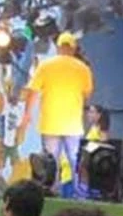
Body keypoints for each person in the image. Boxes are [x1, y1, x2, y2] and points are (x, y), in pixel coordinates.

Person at [21, 32, 94, 187]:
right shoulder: (83, 69)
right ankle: (80, 193)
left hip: (50, 122)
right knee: (75, 161)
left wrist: (27, 114)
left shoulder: (45, 66)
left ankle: (52, 191)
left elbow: (32, 91)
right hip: (73, 124)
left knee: (50, 162)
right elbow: (87, 94)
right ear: (73, 48)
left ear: (58, 47)